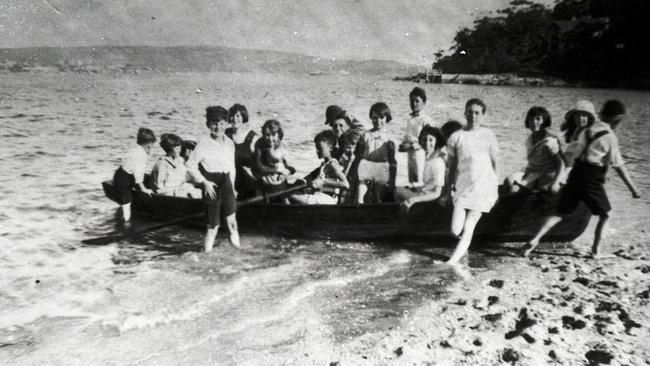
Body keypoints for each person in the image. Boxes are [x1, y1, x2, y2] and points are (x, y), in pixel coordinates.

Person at [520, 100, 641, 259]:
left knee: (560, 213)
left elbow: (571, 153)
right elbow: (618, 165)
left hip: (576, 173)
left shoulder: (585, 132)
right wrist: (633, 189)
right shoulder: (610, 137)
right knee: (606, 215)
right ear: (617, 120)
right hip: (591, 176)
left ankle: (534, 240)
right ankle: (596, 251)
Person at [445, 98, 499, 264]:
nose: (473, 116)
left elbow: (496, 163)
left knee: (469, 227)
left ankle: (452, 261)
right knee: (455, 230)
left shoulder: (488, 135)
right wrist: (447, 192)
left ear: (482, 115)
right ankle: (464, 246)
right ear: (465, 113)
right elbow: (451, 168)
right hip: (463, 187)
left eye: (477, 113)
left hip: (484, 188)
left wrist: (496, 190)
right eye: (470, 112)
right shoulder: (456, 137)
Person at [186, 106, 240, 252]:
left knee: (232, 223)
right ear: (208, 125)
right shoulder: (204, 143)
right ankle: (207, 255)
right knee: (213, 227)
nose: (218, 127)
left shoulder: (229, 143)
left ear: (227, 124)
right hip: (211, 184)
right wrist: (204, 182)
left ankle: (237, 252)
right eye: (215, 123)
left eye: (222, 123)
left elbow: (232, 168)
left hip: (227, 183)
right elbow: (190, 165)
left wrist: (233, 188)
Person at [505, 107, 565, 193]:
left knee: (539, 189)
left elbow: (561, 163)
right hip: (533, 172)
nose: (534, 122)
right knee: (509, 181)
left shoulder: (549, 140)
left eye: (538, 119)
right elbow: (533, 162)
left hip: (547, 174)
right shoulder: (530, 139)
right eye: (531, 119)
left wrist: (555, 183)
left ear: (544, 121)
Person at [394, 126, 446, 211]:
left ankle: (406, 217)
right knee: (398, 190)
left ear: (436, 141)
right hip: (421, 194)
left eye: (430, 140)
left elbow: (437, 193)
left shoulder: (438, 162)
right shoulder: (424, 159)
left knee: (398, 192)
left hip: (430, 199)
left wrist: (412, 200)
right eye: (424, 139)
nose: (427, 143)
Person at [291, 130, 349, 204]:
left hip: (328, 198)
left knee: (292, 197)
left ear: (330, 148)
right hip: (321, 195)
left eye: (320, 148)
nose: (317, 151)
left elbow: (345, 184)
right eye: (316, 148)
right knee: (297, 193)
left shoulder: (333, 164)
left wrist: (324, 182)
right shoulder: (324, 164)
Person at [356, 102, 397, 203]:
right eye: (375, 118)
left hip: (381, 168)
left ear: (386, 118)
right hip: (367, 167)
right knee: (360, 194)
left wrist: (392, 181)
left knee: (378, 195)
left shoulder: (389, 138)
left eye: (381, 118)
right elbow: (359, 155)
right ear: (371, 118)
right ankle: (359, 210)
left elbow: (392, 161)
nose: (378, 121)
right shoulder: (365, 135)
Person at [112, 127, 156, 221]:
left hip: (120, 173)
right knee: (127, 199)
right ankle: (126, 220)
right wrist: (143, 189)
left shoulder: (134, 149)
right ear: (148, 146)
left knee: (144, 177)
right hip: (124, 179)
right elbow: (138, 173)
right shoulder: (141, 155)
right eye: (151, 147)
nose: (150, 150)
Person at [400, 87, 435, 187]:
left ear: (424, 102)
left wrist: (410, 147)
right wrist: (403, 144)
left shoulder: (426, 120)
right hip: (411, 154)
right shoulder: (410, 120)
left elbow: (427, 141)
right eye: (411, 101)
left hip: (421, 155)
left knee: (420, 180)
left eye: (417, 101)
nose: (414, 104)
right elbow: (409, 136)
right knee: (411, 180)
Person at [252, 119, 297, 197]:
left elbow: (291, 167)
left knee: (281, 195)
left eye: (273, 135)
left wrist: (286, 172)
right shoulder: (259, 144)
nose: (270, 138)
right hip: (263, 178)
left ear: (279, 134)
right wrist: (274, 170)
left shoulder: (283, 146)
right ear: (263, 134)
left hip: (278, 179)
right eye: (267, 135)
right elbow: (259, 165)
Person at [150, 133, 202, 198]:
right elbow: (158, 190)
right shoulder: (162, 164)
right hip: (168, 196)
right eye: (177, 148)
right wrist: (178, 189)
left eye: (180, 148)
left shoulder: (179, 161)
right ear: (170, 148)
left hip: (180, 190)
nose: (180, 150)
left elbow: (185, 179)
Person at [226, 103, 258, 199]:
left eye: (238, 116)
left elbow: (258, 163)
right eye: (232, 116)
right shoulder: (225, 134)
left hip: (247, 181)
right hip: (229, 179)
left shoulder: (252, 137)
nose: (234, 119)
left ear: (244, 117)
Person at [560, 100, 595, 169]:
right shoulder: (575, 130)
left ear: (589, 118)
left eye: (584, 116)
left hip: (574, 168)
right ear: (573, 117)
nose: (580, 118)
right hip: (566, 164)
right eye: (577, 115)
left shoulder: (588, 133)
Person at [338, 129, 362, 203]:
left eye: (353, 146)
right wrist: (349, 162)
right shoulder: (342, 159)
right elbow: (342, 177)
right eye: (348, 147)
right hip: (345, 189)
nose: (351, 150)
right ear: (343, 147)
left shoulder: (358, 158)